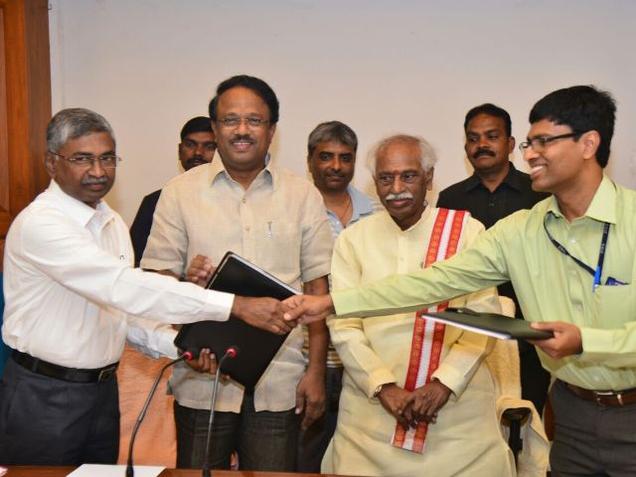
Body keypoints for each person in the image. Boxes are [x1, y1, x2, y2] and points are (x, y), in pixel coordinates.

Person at [285, 85, 636, 477]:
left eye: (544, 142)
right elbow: (433, 283)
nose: (530, 154)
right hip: (571, 414)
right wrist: (332, 303)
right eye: (529, 143)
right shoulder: (520, 230)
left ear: (588, 143)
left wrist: (587, 341)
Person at [0, 108, 294, 466]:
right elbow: (124, 288)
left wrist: (184, 348)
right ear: (51, 163)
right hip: (44, 394)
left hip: (102, 392)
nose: (98, 171)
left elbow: (122, 315)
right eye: (82, 159)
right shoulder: (42, 223)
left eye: (107, 158)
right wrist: (236, 306)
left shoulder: (111, 222)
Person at [141, 75, 333, 472]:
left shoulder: (302, 195)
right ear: (215, 128)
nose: (242, 130)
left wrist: (316, 371)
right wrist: (185, 291)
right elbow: (156, 283)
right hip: (202, 377)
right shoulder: (179, 192)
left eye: (254, 120)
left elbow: (318, 288)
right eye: (230, 120)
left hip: (279, 383)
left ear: (272, 130)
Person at [321, 134, 516, 476]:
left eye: (408, 176)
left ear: (429, 177)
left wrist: (445, 383)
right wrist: (383, 386)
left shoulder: (466, 231)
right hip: (369, 422)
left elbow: (484, 317)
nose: (396, 188)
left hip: (457, 424)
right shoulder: (354, 239)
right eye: (386, 178)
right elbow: (343, 323)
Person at [437, 103, 550, 413]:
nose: (482, 145)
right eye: (473, 138)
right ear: (465, 147)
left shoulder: (539, 194)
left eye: (492, 136)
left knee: (527, 420)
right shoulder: (450, 199)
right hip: (467, 336)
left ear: (510, 144)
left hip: (528, 332)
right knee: (473, 421)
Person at [298, 120, 377, 472]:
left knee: (356, 463)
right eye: (326, 156)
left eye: (345, 158)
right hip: (306, 359)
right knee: (305, 459)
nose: (336, 166)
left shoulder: (378, 212)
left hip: (362, 360)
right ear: (310, 160)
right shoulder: (295, 210)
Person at [130, 116, 216, 266]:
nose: (198, 152)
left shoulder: (229, 198)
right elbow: (136, 261)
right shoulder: (155, 201)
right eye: (190, 145)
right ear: (179, 150)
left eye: (209, 146)